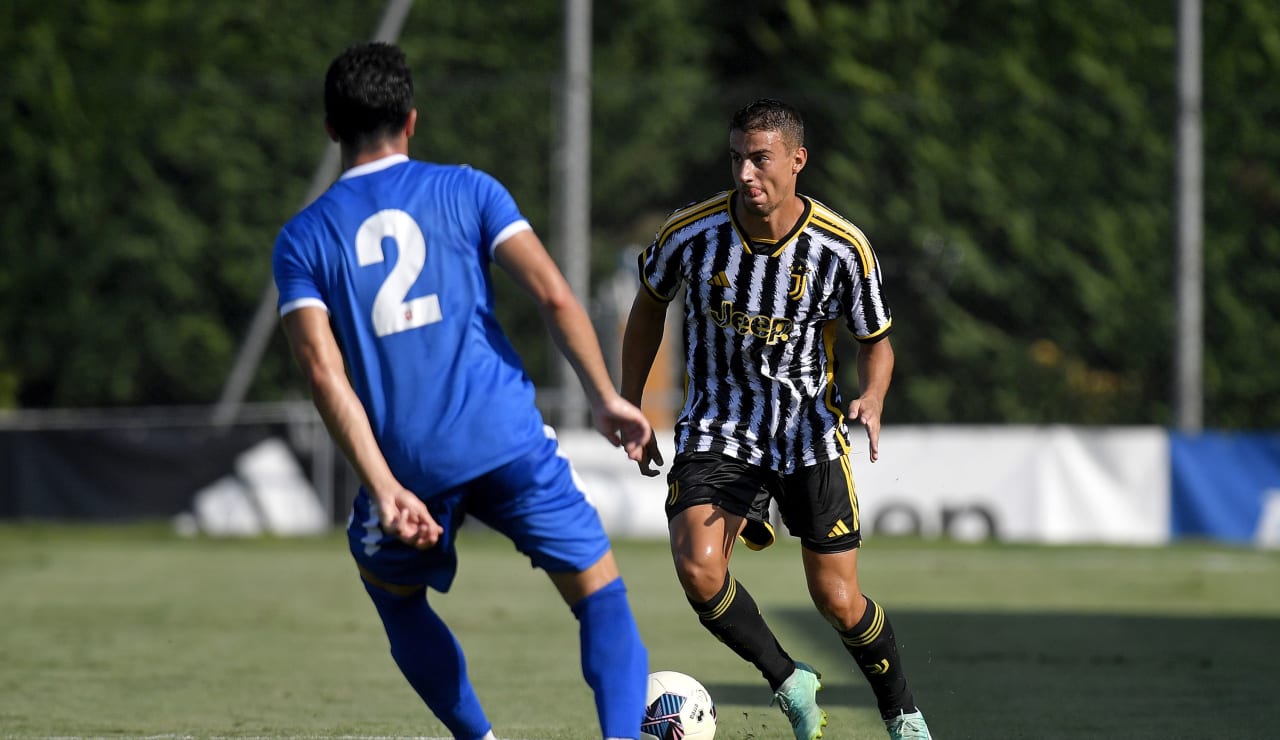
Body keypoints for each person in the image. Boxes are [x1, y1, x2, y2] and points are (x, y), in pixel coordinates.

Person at [273, 41, 650, 740]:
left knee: (395, 595)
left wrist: (384, 488)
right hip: (505, 437)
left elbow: (324, 372)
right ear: (412, 120)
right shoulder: (471, 189)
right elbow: (553, 293)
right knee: (601, 594)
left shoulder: (302, 239)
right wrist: (604, 396)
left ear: (330, 130)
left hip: (409, 466)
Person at [620, 98, 932, 740]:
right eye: (736, 157)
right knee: (699, 566)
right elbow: (648, 305)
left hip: (807, 432)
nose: (745, 173)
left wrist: (872, 395)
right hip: (719, 425)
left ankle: (901, 711)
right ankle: (789, 680)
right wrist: (630, 403)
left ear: (797, 160)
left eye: (759, 158)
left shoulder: (842, 248)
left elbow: (876, 338)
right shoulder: (692, 234)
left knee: (838, 600)